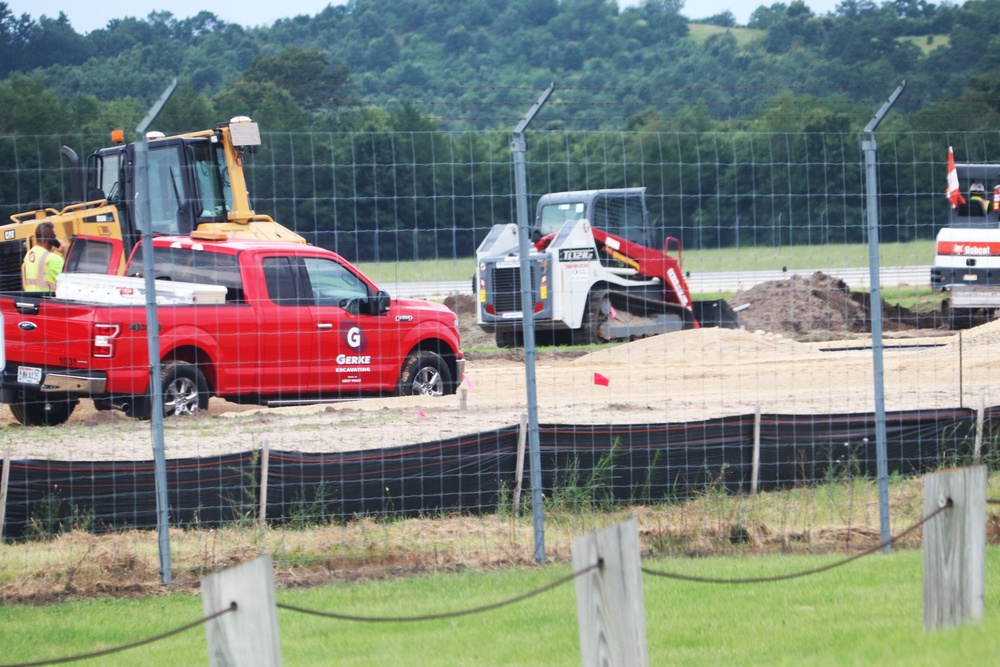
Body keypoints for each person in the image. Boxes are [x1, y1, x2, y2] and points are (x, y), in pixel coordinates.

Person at [21, 221, 65, 291]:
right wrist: (64, 253)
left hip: (32, 299)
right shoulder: (52, 258)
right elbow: (70, 279)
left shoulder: (28, 254)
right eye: (54, 236)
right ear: (50, 238)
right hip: (49, 300)